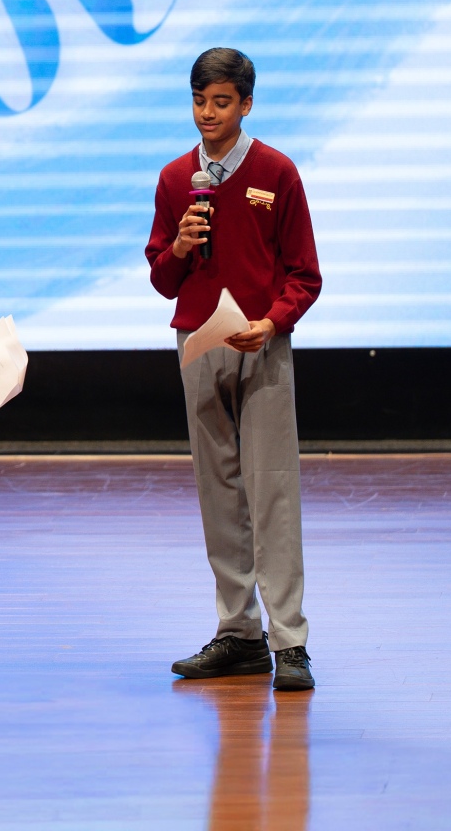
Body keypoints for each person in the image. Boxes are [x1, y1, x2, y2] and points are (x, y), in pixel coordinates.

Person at [144, 48, 323, 692]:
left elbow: (306, 274)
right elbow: (162, 278)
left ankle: (290, 640)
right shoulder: (175, 180)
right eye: (199, 101)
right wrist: (179, 245)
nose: (207, 114)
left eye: (221, 102)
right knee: (217, 492)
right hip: (199, 345)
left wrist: (273, 322)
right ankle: (239, 633)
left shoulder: (276, 172)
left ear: (246, 104)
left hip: (261, 345)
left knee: (272, 490)